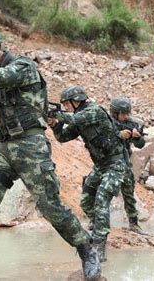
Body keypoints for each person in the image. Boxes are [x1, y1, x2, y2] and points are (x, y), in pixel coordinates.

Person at [0, 26, 100, 281]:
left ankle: (87, 249)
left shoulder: (23, 67)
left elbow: (3, 77)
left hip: (31, 144)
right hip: (3, 148)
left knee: (50, 205)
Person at [48, 86, 128, 262]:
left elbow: (74, 119)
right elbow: (63, 137)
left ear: (76, 101)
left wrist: (55, 115)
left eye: (66, 104)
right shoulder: (79, 119)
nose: (65, 107)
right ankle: (98, 225)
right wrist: (54, 124)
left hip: (115, 164)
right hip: (100, 166)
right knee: (86, 201)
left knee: (101, 200)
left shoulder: (94, 112)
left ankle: (99, 245)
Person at [109, 97, 147, 235]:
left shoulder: (131, 124)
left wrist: (136, 137)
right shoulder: (107, 123)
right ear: (115, 113)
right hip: (106, 163)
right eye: (123, 113)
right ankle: (95, 221)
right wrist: (119, 135)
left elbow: (141, 144)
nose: (126, 117)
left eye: (127, 113)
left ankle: (134, 223)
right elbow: (103, 139)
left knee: (128, 193)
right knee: (101, 193)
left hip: (124, 162)